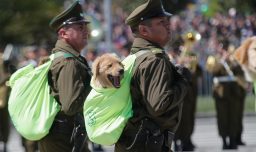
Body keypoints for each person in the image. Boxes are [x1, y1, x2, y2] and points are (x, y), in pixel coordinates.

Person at [115, 0, 190, 151]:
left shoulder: (134, 58)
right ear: (144, 30)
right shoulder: (154, 60)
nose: (168, 25)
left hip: (136, 141)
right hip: (148, 143)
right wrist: (182, 81)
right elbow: (160, 105)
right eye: (161, 22)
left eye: (167, 20)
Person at [38, 1, 92, 152]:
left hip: (61, 135)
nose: (85, 31)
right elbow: (70, 106)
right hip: (65, 137)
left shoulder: (59, 57)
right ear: (63, 34)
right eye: (80, 28)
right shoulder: (69, 62)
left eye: (85, 27)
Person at [206, 38, 246, 150]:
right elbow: (213, 70)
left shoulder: (233, 58)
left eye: (225, 47)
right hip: (221, 93)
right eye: (222, 47)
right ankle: (224, 141)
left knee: (233, 117)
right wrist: (222, 60)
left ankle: (233, 140)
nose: (224, 49)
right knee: (222, 118)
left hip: (234, 93)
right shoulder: (214, 58)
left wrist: (231, 61)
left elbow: (240, 71)